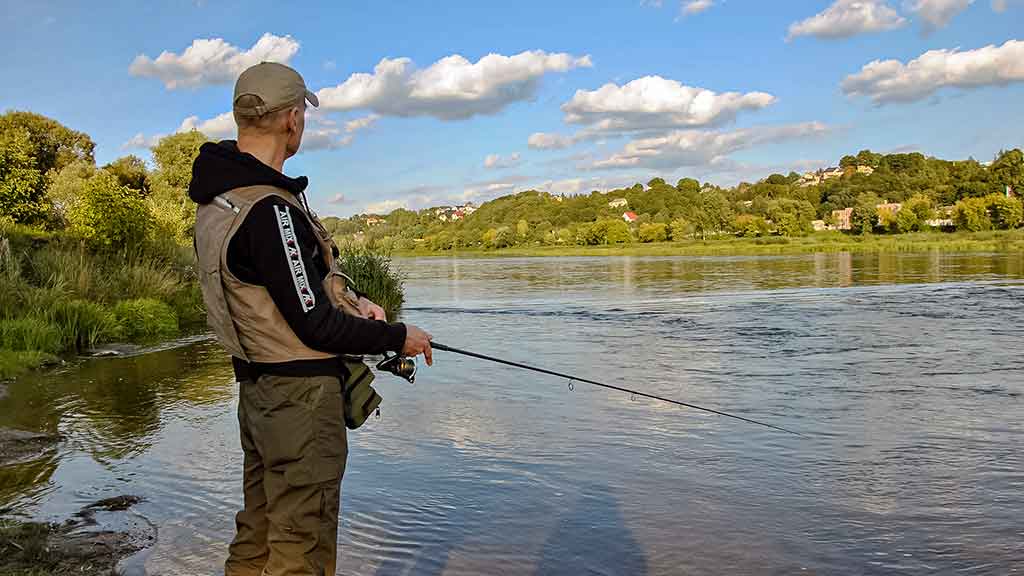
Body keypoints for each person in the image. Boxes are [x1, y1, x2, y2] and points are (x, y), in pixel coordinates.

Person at [188, 61, 433, 576]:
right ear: (291, 120)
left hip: (257, 392)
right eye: (302, 113)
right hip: (300, 404)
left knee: (258, 532)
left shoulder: (222, 201)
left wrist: (357, 299)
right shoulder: (268, 210)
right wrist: (397, 335)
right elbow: (314, 327)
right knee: (302, 547)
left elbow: (289, 289)